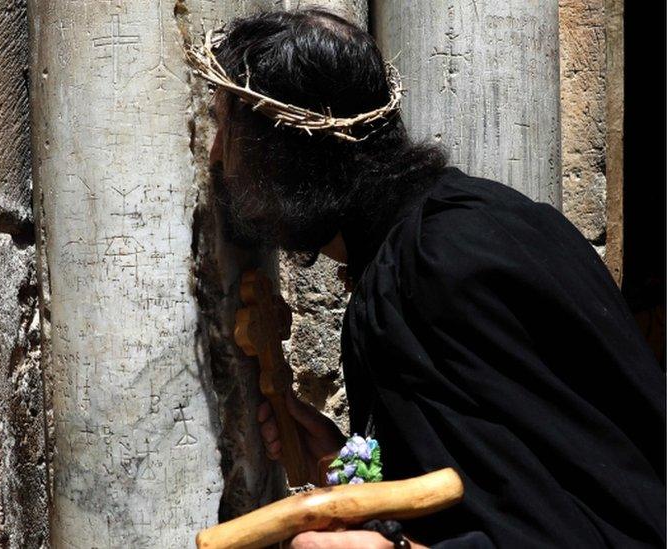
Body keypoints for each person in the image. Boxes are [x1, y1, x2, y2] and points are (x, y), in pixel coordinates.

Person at [199, 8, 667, 548]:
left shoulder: (441, 264)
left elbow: (584, 525)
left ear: (281, 152)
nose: (216, 158)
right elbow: (499, 487)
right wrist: (346, 461)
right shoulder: (467, 223)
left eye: (227, 132)